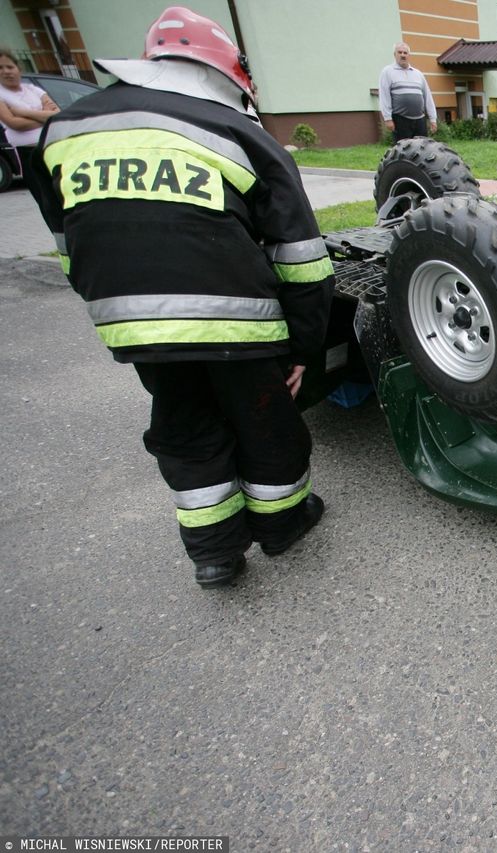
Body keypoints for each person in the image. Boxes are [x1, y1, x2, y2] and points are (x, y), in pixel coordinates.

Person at [28, 6, 333, 588]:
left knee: (185, 425)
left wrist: (118, 307)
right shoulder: (242, 135)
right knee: (265, 423)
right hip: (238, 326)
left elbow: (69, 239)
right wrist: (301, 349)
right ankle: (283, 526)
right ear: (227, 75)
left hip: (133, 325)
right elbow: (302, 260)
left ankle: (214, 555)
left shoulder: (66, 128)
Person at [0, 47, 59, 182]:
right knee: (45, 196)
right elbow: (14, 124)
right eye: (0, 68)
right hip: (27, 152)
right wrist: (45, 116)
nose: (6, 71)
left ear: (18, 69)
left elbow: (57, 114)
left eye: (9, 67)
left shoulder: (33, 89)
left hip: (51, 147)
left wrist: (23, 112)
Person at [378, 42, 436, 142]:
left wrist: (433, 119)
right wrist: (387, 118)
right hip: (400, 120)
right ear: (394, 55)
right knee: (403, 150)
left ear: (409, 55)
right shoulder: (387, 72)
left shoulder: (418, 74)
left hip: (420, 120)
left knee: (423, 148)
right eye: (400, 52)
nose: (403, 55)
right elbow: (384, 96)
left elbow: (427, 96)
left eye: (405, 53)